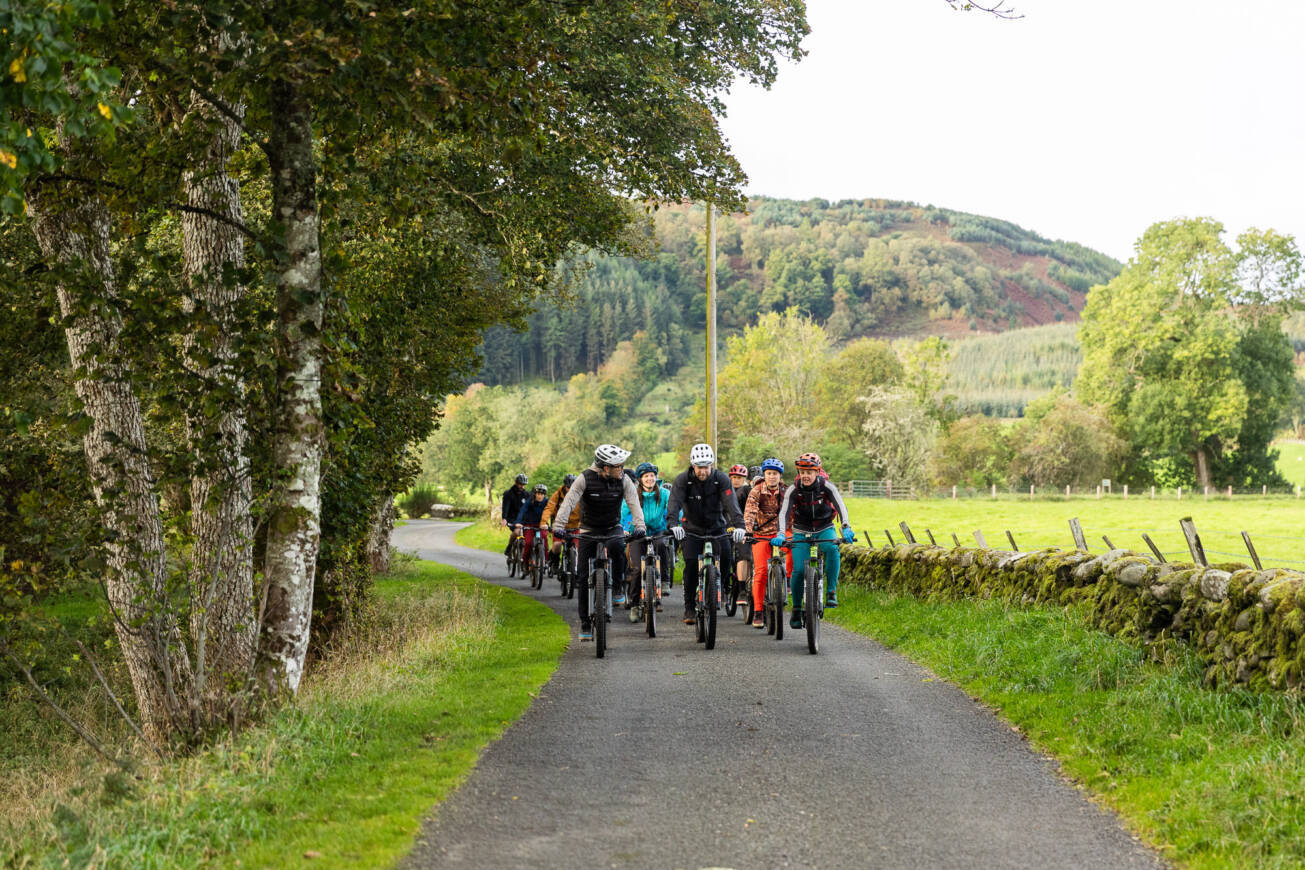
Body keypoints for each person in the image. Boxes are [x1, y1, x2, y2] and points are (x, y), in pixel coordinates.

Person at [552, 445, 646, 642]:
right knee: (583, 576)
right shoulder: (584, 478)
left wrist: (640, 526)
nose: (622, 469)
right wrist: (559, 526)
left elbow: (633, 503)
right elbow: (569, 502)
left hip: (613, 526)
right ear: (605, 467)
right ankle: (585, 622)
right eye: (618, 466)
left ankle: (619, 587)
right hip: (588, 529)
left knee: (617, 547)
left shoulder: (624, 480)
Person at [773, 452, 855, 630]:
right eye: (802, 472)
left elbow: (841, 506)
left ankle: (831, 591)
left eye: (809, 472)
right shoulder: (793, 489)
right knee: (799, 570)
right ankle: (796, 608)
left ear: (817, 472)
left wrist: (846, 526)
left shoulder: (827, 487)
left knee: (832, 549)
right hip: (801, 529)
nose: (805, 475)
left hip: (825, 527)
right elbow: (784, 512)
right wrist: (781, 533)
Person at [666, 443, 746, 625]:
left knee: (726, 556)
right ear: (693, 466)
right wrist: (673, 524)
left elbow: (731, 504)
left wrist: (739, 525)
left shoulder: (721, 479)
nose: (703, 471)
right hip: (692, 528)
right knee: (692, 566)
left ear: (712, 465)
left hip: (717, 527)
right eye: (699, 467)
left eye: (706, 467)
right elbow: (674, 503)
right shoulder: (682, 480)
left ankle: (723, 587)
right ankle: (689, 607)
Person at [622, 461, 674, 609]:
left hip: (658, 531)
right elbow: (625, 512)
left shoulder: (664, 493)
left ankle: (664, 580)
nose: (649, 478)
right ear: (640, 479)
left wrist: (676, 525)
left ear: (656, 477)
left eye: (652, 475)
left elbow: (673, 510)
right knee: (638, 568)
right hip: (637, 533)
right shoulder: (633, 493)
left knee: (661, 546)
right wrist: (624, 528)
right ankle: (634, 604)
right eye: (646, 476)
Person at [743, 457, 787, 628]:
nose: (772, 477)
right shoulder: (756, 491)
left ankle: (788, 581)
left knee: (794, 551)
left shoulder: (785, 491)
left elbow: (791, 512)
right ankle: (758, 611)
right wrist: (748, 530)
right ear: (764, 474)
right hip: (761, 534)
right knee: (760, 571)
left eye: (775, 474)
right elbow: (750, 512)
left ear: (779, 476)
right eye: (769, 474)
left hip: (781, 534)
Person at [542, 473, 581, 572]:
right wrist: (544, 522)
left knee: (577, 550)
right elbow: (549, 508)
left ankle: (574, 574)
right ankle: (555, 562)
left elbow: (586, 510)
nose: (569, 490)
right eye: (568, 487)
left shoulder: (580, 495)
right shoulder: (558, 494)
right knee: (557, 545)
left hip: (575, 526)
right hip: (560, 526)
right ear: (564, 486)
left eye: (572, 487)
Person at [727, 464, 753, 605]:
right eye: (734, 477)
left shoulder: (747, 491)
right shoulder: (724, 491)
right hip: (725, 527)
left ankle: (742, 590)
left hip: (743, 528)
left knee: (744, 554)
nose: (737, 480)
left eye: (740, 478)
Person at [514, 484, 551, 572]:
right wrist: (518, 522)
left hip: (541, 526)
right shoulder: (530, 501)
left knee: (544, 540)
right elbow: (522, 511)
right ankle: (525, 563)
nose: (540, 496)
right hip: (529, 525)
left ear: (544, 495)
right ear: (535, 494)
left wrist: (550, 525)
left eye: (542, 494)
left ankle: (544, 561)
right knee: (529, 543)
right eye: (538, 494)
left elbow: (552, 512)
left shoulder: (547, 502)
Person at [500, 473, 530, 556]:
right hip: (512, 519)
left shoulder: (527, 495)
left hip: (523, 520)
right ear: (516, 483)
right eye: (520, 484)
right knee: (517, 532)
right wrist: (504, 518)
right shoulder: (508, 494)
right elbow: (505, 507)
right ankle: (509, 547)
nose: (522, 486)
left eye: (524, 485)